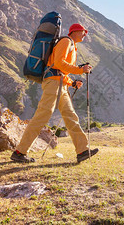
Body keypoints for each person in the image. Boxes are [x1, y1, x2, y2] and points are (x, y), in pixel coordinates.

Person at [11, 23, 98, 163]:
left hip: (60, 84)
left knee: (71, 117)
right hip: (53, 84)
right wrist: (81, 70)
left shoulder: (72, 45)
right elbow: (58, 63)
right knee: (41, 117)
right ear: (74, 31)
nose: (85, 34)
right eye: (83, 31)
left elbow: (61, 71)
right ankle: (19, 152)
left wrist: (72, 83)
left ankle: (82, 151)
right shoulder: (66, 41)